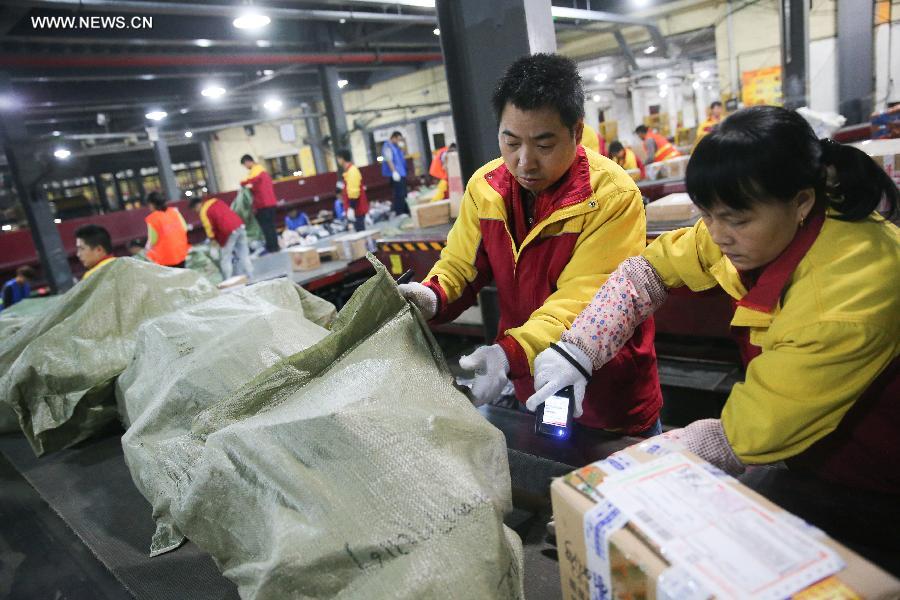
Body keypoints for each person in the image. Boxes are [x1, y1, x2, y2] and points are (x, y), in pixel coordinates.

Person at [528, 106, 900, 570]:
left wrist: (633, 474)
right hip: (810, 444)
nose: (719, 235)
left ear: (802, 201)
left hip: (875, 477)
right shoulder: (764, 220)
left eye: (735, 220)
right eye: (708, 216)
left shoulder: (840, 302)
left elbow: (744, 436)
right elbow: (650, 271)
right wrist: (578, 348)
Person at [398, 53, 662, 436]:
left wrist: (510, 353)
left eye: (543, 144)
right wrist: (431, 296)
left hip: (607, 392)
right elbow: (460, 265)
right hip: (532, 380)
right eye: (511, 142)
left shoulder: (610, 196)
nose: (524, 162)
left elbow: (584, 300)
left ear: (576, 131)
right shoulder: (486, 188)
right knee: (550, 464)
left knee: (618, 483)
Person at [189, 194, 254, 280]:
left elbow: (209, 229)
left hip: (227, 232)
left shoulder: (204, 211)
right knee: (244, 254)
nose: (196, 212)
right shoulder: (216, 201)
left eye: (195, 209)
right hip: (239, 225)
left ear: (198, 205)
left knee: (225, 258)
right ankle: (251, 276)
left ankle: (227, 281)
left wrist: (213, 245)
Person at [240, 154, 279, 253]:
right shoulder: (262, 170)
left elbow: (249, 181)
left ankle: (271, 247)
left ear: (248, 161)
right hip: (271, 203)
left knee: (266, 227)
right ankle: (275, 246)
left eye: (245, 165)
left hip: (263, 204)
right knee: (271, 226)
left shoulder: (256, 170)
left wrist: (242, 183)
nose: (246, 167)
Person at [144, 192, 189, 268]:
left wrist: (147, 248)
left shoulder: (153, 218)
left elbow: (153, 240)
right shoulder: (174, 212)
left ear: (152, 204)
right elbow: (185, 228)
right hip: (181, 252)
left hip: (166, 258)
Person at [335, 149, 369, 232]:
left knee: (361, 233)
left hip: (357, 208)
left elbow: (354, 192)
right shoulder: (348, 171)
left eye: (338, 158)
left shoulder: (352, 171)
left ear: (342, 159)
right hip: (356, 209)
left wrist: (351, 208)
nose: (337, 161)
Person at [381, 131, 409, 215]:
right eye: (398, 140)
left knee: (404, 193)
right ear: (393, 138)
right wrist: (394, 172)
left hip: (402, 172)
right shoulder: (387, 146)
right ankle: (399, 212)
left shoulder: (396, 146)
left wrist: (402, 146)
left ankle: (405, 210)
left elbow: (404, 154)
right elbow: (389, 160)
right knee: (399, 193)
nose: (399, 141)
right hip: (396, 174)